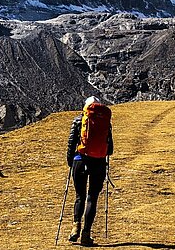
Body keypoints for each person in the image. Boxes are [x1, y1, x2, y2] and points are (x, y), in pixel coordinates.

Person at [66, 95, 113, 246]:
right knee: (92, 197)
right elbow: (110, 149)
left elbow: (71, 144)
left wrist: (71, 163)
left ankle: (75, 227)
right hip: (98, 163)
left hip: (79, 160)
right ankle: (86, 234)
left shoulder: (78, 120)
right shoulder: (106, 122)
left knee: (80, 196)